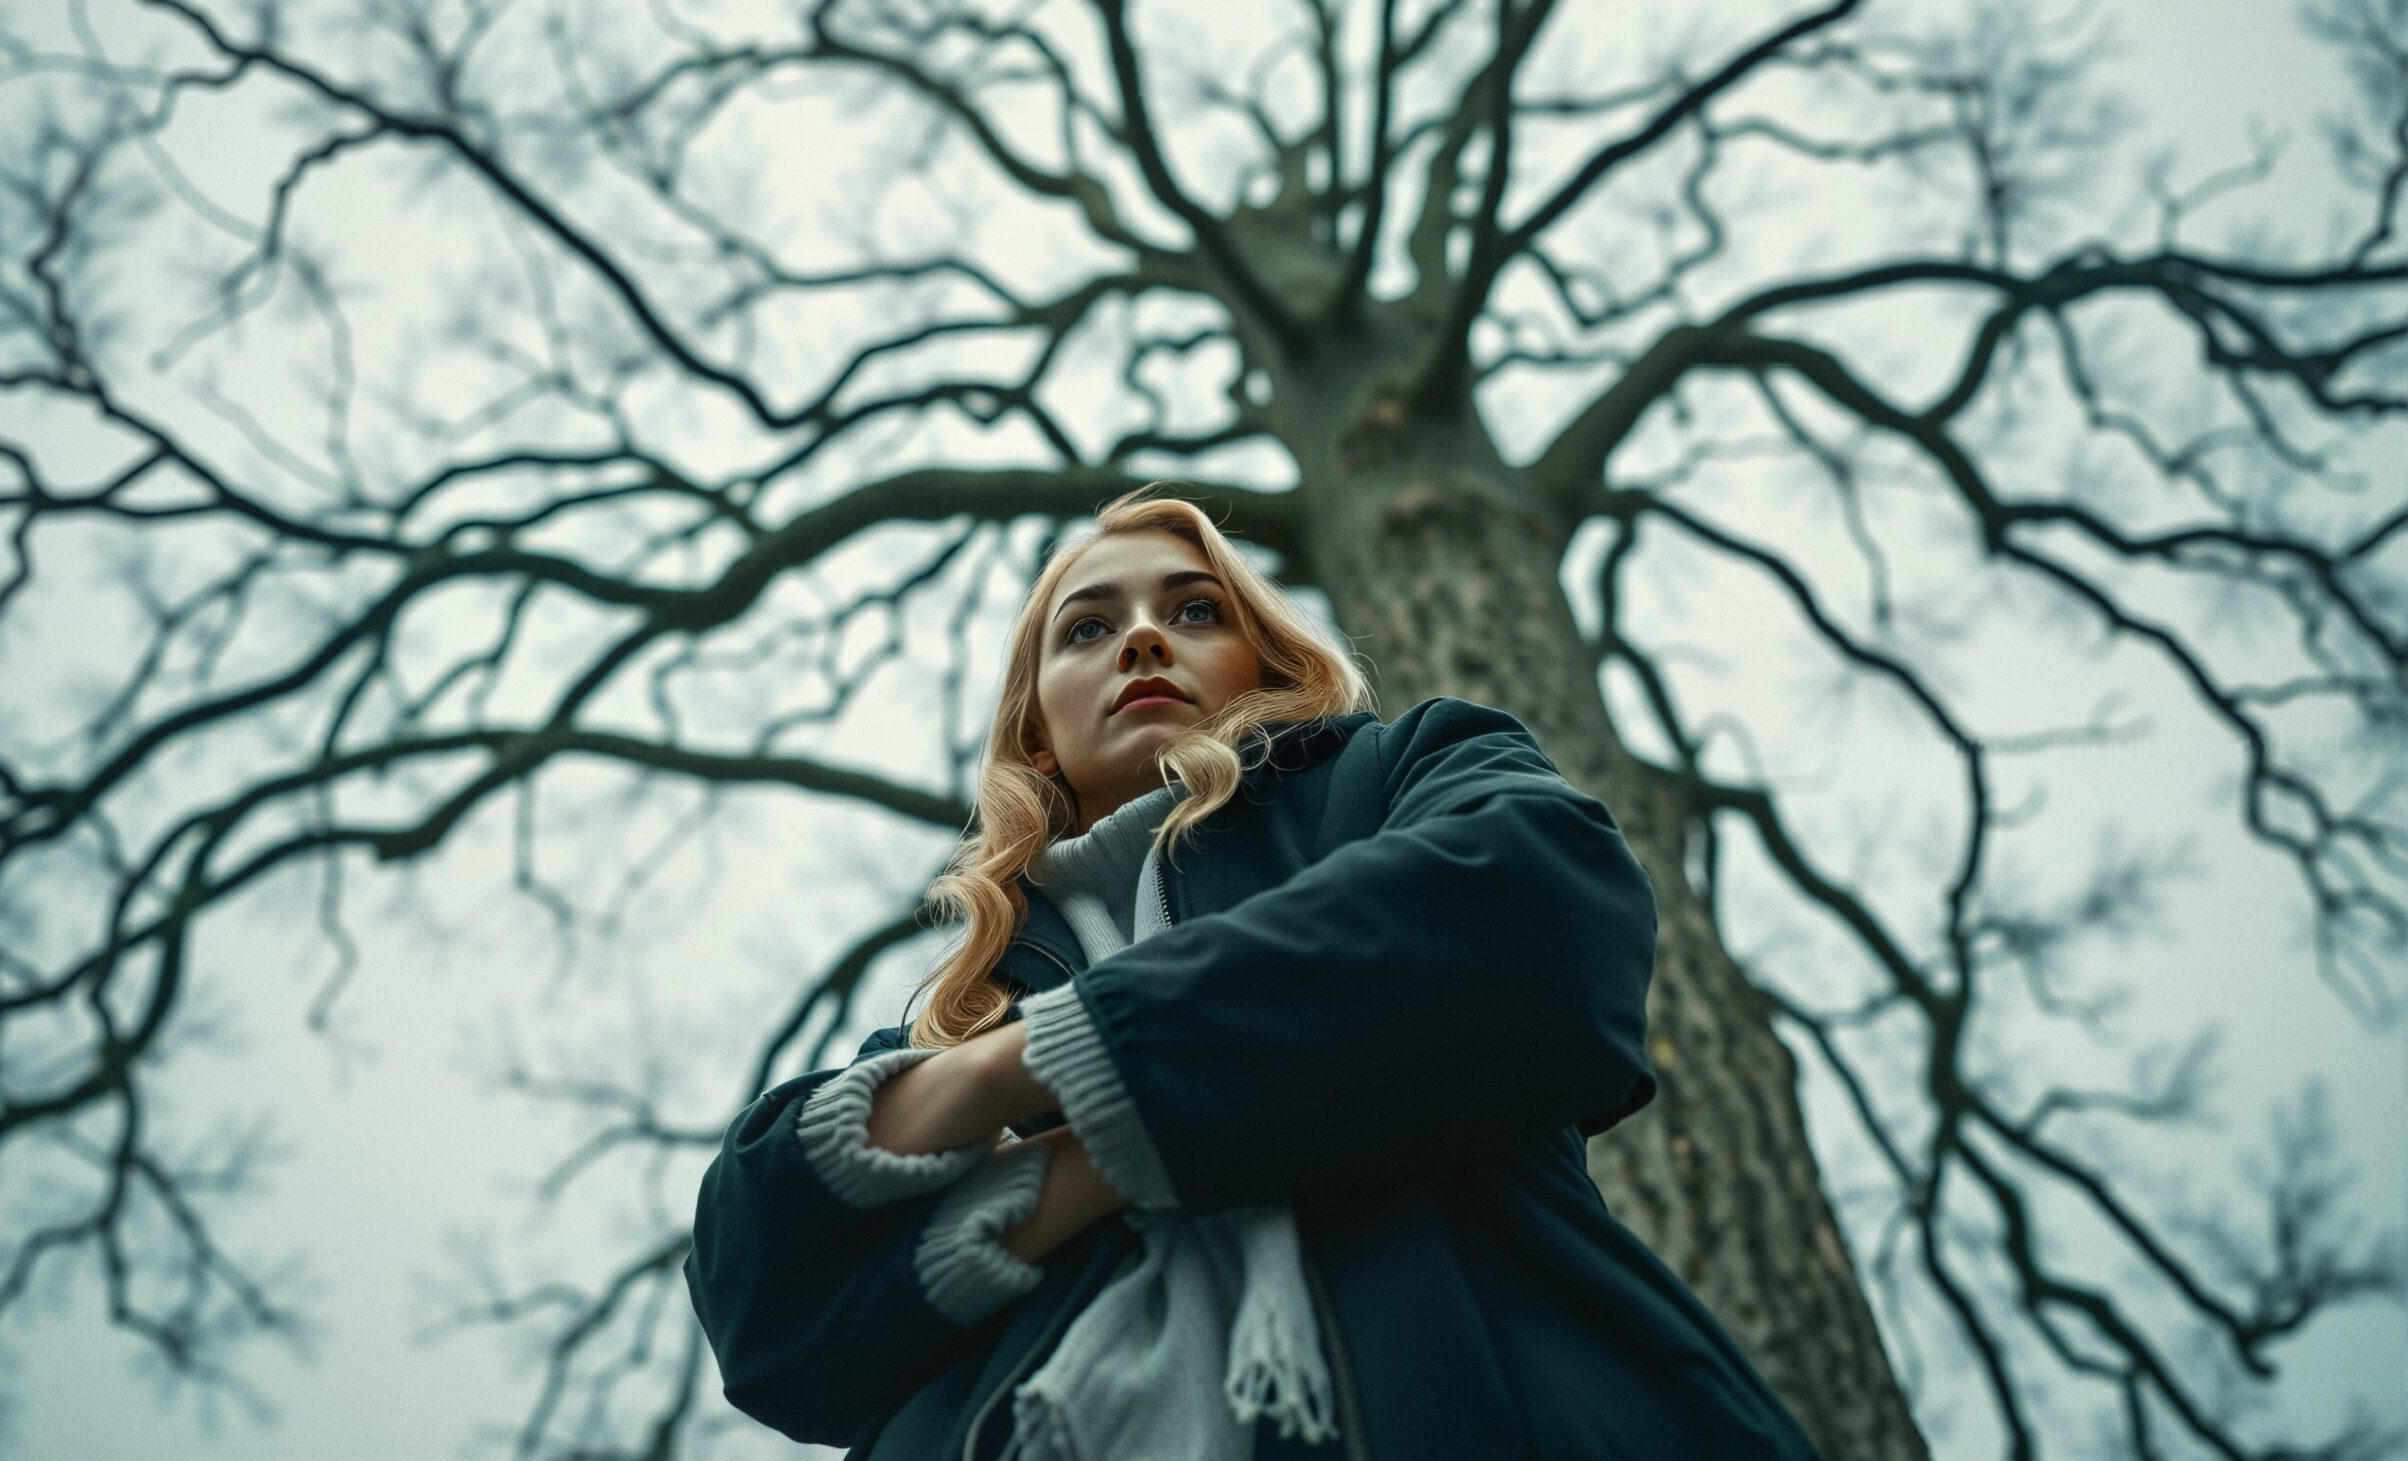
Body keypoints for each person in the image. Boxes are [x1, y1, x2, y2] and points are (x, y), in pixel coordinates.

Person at [685, 483, 1821, 1459]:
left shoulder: (1393, 779)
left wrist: (1056, 1116)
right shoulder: (968, 1013)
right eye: (1085, 631)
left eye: (1192, 610)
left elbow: (1535, 915)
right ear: (1038, 739)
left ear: (1262, 665)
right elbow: (768, 1307)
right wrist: (1000, 1080)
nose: (1140, 639)